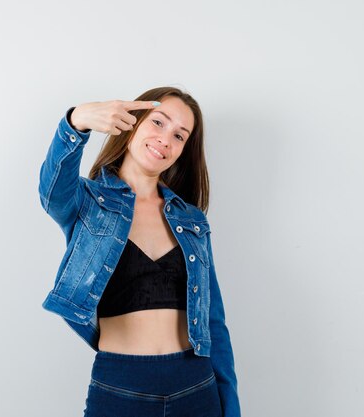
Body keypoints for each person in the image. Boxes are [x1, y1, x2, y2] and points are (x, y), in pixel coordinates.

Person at [38, 86, 241, 417]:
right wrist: (76, 123)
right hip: (121, 386)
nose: (166, 139)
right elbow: (52, 191)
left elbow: (213, 322)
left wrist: (230, 408)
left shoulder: (191, 221)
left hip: (195, 385)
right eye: (159, 123)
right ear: (132, 123)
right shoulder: (89, 203)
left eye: (180, 135)